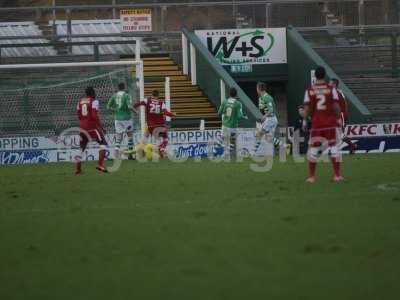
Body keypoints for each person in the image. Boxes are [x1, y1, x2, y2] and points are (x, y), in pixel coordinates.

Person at [304, 66, 343, 183]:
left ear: (315, 76)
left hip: (317, 124)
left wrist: (306, 119)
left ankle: (311, 177)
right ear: (324, 75)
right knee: (334, 147)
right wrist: (338, 118)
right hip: (330, 123)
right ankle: (336, 175)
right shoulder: (331, 89)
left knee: (314, 149)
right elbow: (336, 106)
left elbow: (307, 108)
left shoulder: (310, 90)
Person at [133, 90, 175, 158]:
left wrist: (132, 107)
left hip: (150, 125)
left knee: (146, 136)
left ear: (152, 95)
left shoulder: (147, 100)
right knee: (165, 139)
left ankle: (138, 152)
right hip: (160, 125)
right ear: (158, 96)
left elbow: (138, 103)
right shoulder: (161, 103)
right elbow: (166, 113)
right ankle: (161, 149)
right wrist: (172, 114)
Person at [76, 86, 108, 174]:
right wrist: (101, 127)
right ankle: (99, 164)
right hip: (91, 127)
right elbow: (94, 116)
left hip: (82, 128)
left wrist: (83, 122)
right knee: (103, 144)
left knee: (82, 148)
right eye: (94, 92)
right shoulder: (94, 101)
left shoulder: (79, 102)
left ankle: (78, 169)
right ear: (92, 93)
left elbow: (79, 115)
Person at [329, 78, 357, 154]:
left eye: (330, 83)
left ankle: (352, 146)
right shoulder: (336, 92)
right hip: (339, 115)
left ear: (334, 84)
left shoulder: (336, 93)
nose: (329, 84)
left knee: (340, 134)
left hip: (340, 115)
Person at [107, 82, 135, 159]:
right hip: (127, 118)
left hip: (118, 119)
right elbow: (129, 107)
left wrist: (116, 110)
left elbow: (108, 107)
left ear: (118, 88)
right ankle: (130, 154)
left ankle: (115, 155)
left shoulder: (114, 95)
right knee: (130, 136)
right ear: (124, 87)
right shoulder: (127, 95)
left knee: (119, 137)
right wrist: (136, 112)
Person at [218, 87, 247, 157]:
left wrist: (225, 112)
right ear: (236, 94)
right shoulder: (238, 104)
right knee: (232, 141)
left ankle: (216, 151)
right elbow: (239, 116)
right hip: (233, 126)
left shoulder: (224, 102)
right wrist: (244, 116)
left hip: (225, 124)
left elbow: (219, 113)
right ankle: (225, 154)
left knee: (222, 139)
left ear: (229, 93)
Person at [254, 82, 278, 155]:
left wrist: (265, 116)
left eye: (257, 88)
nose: (256, 90)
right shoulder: (262, 97)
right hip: (270, 119)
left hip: (271, 119)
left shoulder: (267, 97)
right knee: (268, 137)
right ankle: (284, 146)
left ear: (259, 89)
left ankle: (253, 152)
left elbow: (271, 110)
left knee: (259, 134)